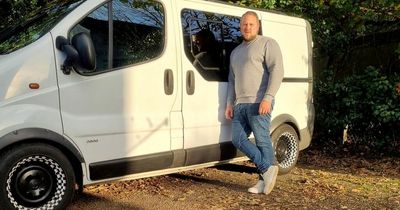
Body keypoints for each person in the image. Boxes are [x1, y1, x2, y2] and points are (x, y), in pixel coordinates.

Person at [225, 11, 284, 195]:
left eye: (251, 24)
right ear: (240, 26)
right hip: (240, 105)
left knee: (262, 141)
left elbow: (277, 71)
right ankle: (266, 170)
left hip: (259, 102)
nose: (247, 27)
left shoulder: (267, 43)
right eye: (244, 24)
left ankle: (262, 180)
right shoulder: (236, 52)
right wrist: (229, 103)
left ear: (257, 26)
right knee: (237, 139)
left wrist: (268, 97)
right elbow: (232, 80)